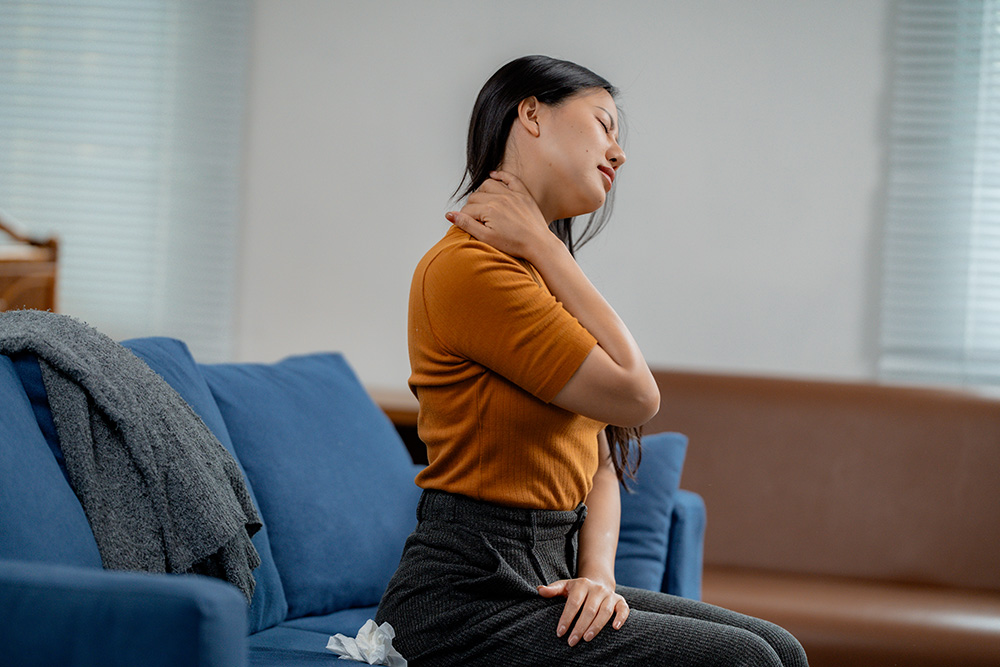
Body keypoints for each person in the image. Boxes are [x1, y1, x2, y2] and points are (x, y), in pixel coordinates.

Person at [375, 55, 808, 667]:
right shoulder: (471, 270)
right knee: (747, 660)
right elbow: (639, 397)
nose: (619, 153)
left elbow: (601, 459)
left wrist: (598, 577)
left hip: (545, 578)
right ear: (531, 114)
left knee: (781, 649)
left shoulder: (535, 274)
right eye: (604, 124)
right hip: (462, 602)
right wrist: (545, 249)